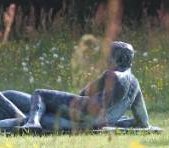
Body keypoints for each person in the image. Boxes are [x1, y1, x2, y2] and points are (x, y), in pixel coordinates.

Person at [20, 41, 151, 131]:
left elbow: (83, 94)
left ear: (120, 60)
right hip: (102, 120)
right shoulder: (135, 83)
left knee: (39, 93)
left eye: (109, 56)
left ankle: (32, 123)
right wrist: (119, 121)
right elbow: (143, 122)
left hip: (87, 112)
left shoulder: (112, 75)